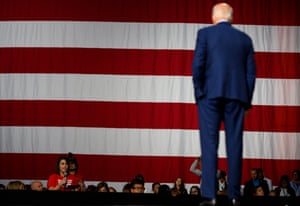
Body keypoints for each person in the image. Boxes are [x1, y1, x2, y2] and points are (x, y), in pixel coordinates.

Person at [191, 2, 256, 206]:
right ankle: (235, 196)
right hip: (237, 97)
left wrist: (200, 94)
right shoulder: (245, 39)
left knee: (209, 145)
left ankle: (210, 196)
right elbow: (251, 74)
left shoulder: (205, 34)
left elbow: (197, 66)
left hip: (210, 96)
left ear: (213, 17)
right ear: (231, 18)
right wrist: (246, 102)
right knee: (235, 145)